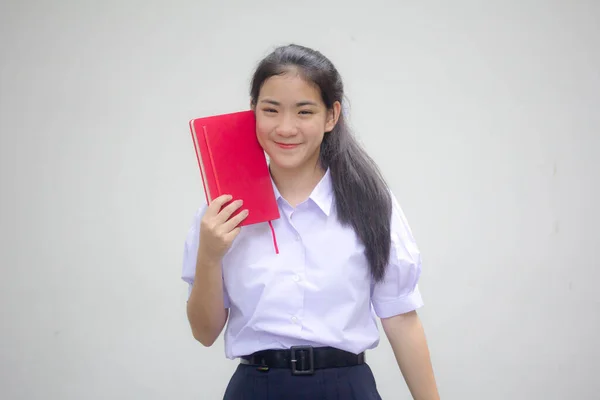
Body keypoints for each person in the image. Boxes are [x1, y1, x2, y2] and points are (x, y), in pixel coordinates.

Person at [181, 44, 439, 399]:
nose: (286, 127)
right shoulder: (222, 213)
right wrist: (209, 257)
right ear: (253, 112)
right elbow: (204, 332)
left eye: (304, 111)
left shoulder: (372, 205)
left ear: (331, 116)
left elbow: (401, 318)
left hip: (346, 388)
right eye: (270, 110)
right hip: (257, 388)